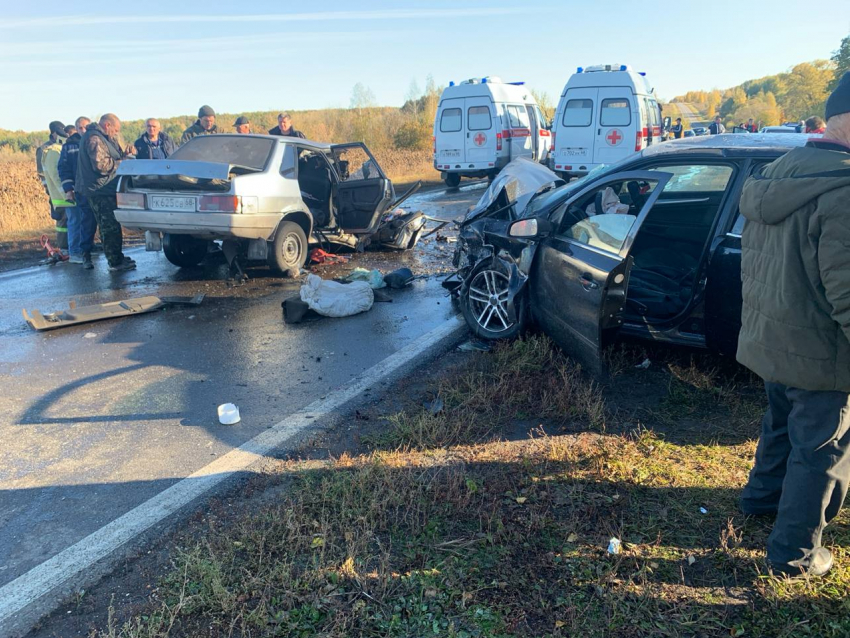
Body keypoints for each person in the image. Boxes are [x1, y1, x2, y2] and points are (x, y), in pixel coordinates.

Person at [736, 71, 850, 578]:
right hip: (820, 352)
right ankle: (795, 556)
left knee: (780, 423)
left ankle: (760, 499)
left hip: (771, 338)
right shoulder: (843, 191)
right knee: (821, 451)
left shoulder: (779, 171)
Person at [76, 113, 136, 272]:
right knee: (109, 227)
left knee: (111, 225)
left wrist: (125, 155)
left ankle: (117, 256)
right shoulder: (94, 139)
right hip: (100, 190)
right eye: (115, 130)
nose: (116, 133)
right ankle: (115, 262)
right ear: (107, 125)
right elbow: (101, 166)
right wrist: (123, 163)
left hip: (105, 188)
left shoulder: (103, 138)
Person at [58, 117, 98, 269]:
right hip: (80, 189)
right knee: (78, 220)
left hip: (95, 189)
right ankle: (76, 252)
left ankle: (90, 247)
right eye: (80, 128)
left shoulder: (95, 141)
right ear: (76, 129)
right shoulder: (70, 146)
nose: (83, 130)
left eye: (86, 127)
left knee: (92, 221)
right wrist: (69, 189)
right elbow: (64, 168)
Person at [41, 123, 72, 256]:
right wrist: (51, 190)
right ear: (54, 133)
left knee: (68, 221)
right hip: (58, 193)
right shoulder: (49, 149)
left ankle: (69, 246)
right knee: (62, 221)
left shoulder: (59, 148)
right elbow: (47, 174)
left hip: (61, 192)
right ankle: (64, 247)